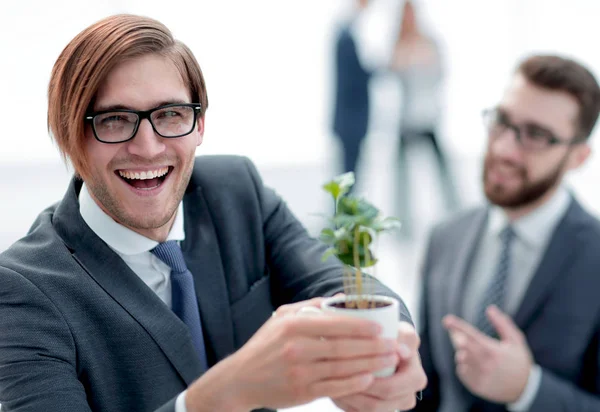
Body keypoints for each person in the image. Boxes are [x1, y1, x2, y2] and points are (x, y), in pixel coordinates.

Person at [0, 14, 427, 412]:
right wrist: (224, 393)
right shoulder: (22, 290)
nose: (148, 146)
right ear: (69, 136)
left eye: (170, 115)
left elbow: (339, 282)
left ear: (200, 124)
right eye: (114, 120)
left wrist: (388, 349)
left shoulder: (235, 191)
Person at [415, 54, 600, 412]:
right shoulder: (445, 237)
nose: (503, 149)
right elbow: (424, 388)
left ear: (578, 157)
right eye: (501, 121)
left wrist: (527, 389)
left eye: (535, 135)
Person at [390, 0, 458, 239]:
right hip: (405, 120)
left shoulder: (429, 42)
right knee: (401, 177)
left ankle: (456, 215)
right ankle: (402, 225)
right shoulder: (398, 44)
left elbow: (440, 74)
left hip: (428, 117)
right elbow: (390, 77)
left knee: (443, 173)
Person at [332, 0, 372, 182]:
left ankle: (343, 209)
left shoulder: (346, 34)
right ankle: (342, 210)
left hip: (350, 120)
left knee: (349, 175)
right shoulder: (346, 37)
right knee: (348, 177)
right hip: (351, 120)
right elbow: (353, 79)